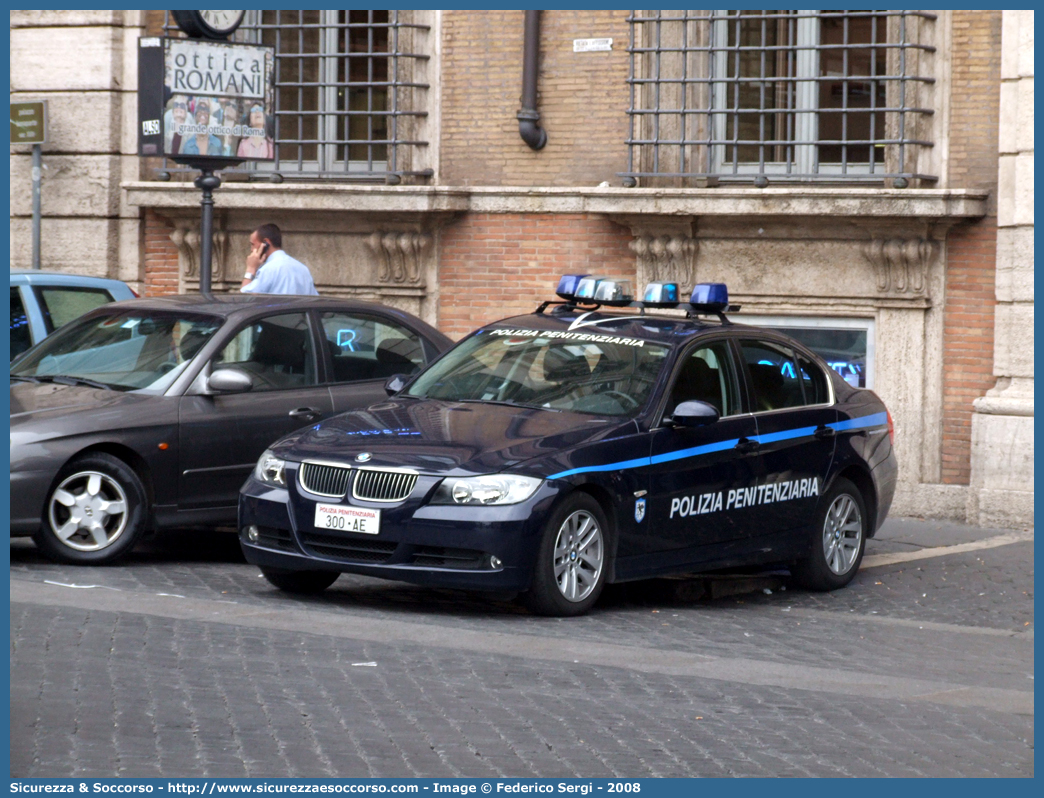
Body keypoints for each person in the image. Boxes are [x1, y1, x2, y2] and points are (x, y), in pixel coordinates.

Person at [240, 223, 319, 295]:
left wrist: (251, 269)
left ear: (265, 243)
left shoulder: (268, 269)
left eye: (253, 244)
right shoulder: (303, 269)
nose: (251, 249)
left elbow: (245, 299)